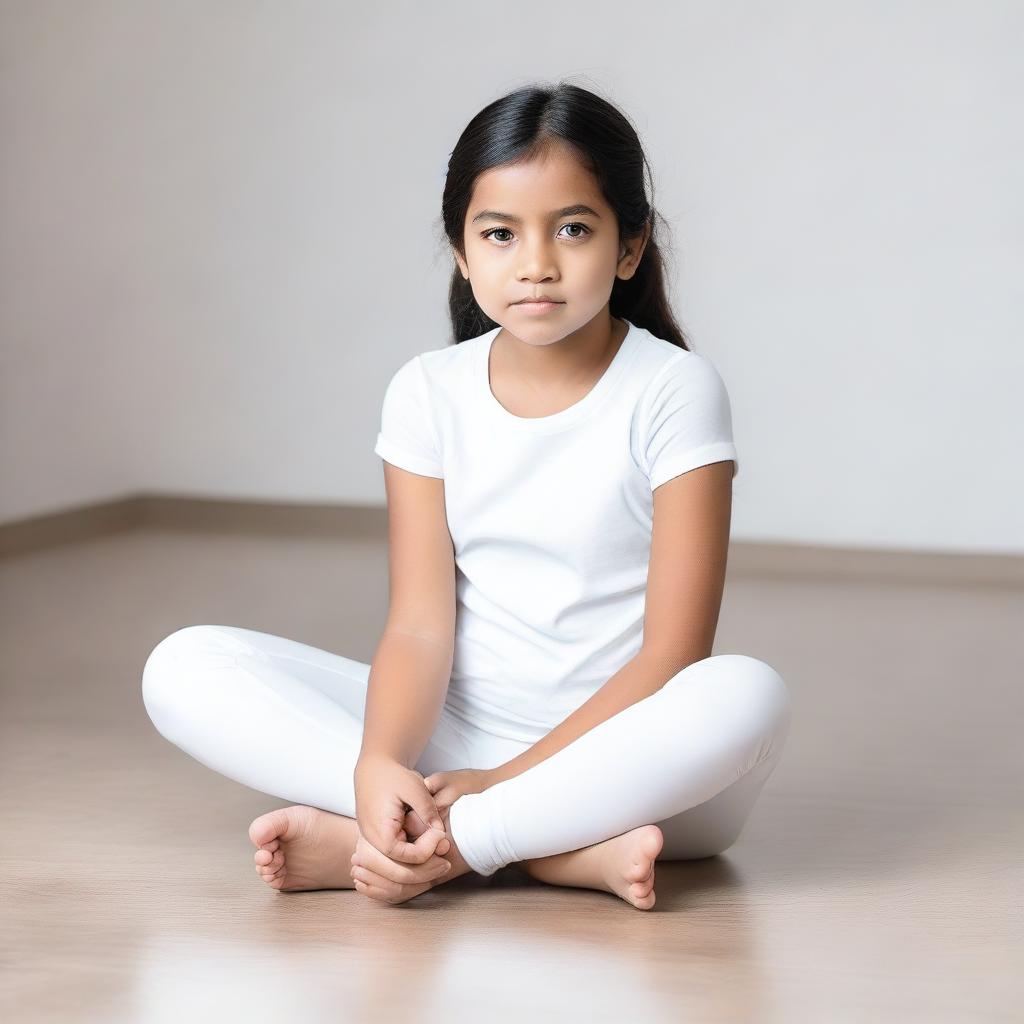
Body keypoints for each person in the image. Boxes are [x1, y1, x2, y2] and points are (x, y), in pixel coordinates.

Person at [141, 81, 791, 911]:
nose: (536, 264)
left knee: (747, 692)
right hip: (458, 746)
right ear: (461, 252)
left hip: (634, 767)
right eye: (499, 233)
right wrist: (380, 761)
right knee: (184, 666)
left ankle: (437, 847)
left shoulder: (673, 389)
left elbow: (673, 655)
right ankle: (546, 852)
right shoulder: (427, 391)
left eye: (574, 230)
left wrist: (497, 792)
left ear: (629, 248)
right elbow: (418, 624)